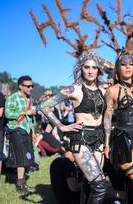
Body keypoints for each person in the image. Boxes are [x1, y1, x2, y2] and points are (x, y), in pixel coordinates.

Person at [40, 50, 108, 204]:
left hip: (99, 138)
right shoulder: (74, 89)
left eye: (94, 67)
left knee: (89, 183)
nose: (90, 71)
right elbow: (44, 105)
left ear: (98, 70)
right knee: (99, 185)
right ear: (80, 68)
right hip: (81, 138)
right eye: (86, 67)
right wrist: (62, 127)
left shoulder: (103, 90)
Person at [103, 52, 133, 204]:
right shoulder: (112, 90)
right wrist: (107, 144)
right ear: (117, 68)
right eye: (123, 64)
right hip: (122, 139)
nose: (127, 67)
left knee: (131, 182)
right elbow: (107, 117)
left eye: (130, 64)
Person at [4, 75, 37, 194]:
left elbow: (31, 116)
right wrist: (24, 112)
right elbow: (7, 113)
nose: (31, 88)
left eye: (31, 86)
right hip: (16, 129)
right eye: (28, 86)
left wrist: (33, 131)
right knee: (21, 157)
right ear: (20, 86)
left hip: (27, 129)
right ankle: (20, 184)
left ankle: (22, 183)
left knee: (26, 156)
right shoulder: (12, 97)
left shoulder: (29, 98)